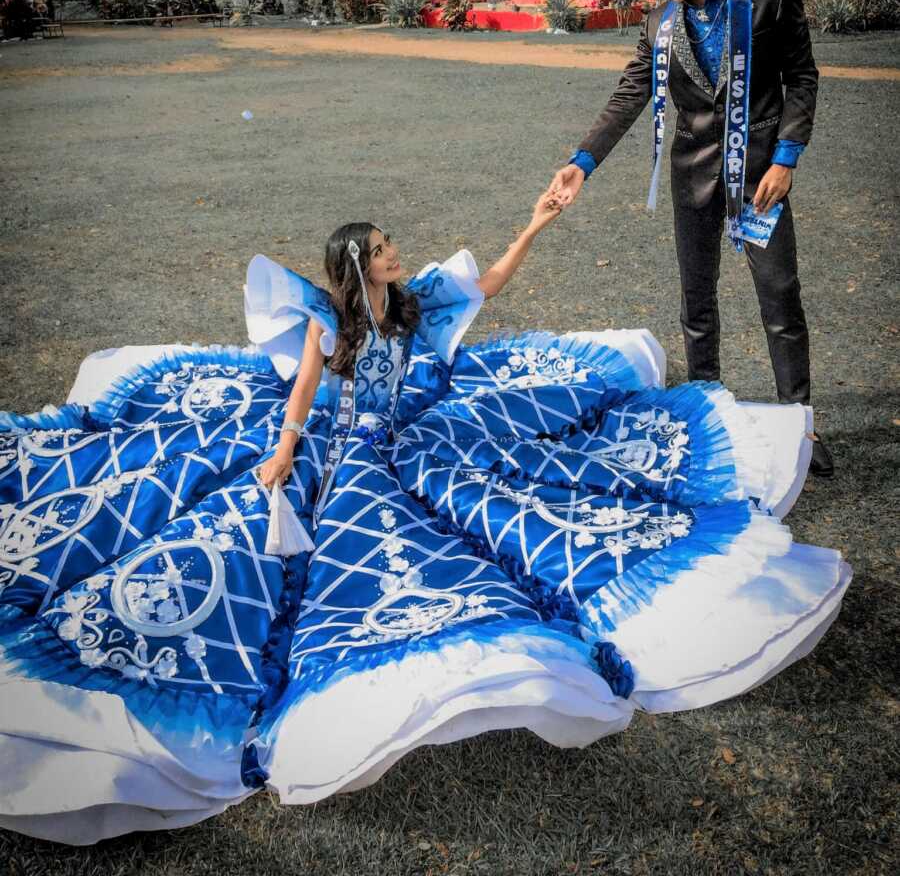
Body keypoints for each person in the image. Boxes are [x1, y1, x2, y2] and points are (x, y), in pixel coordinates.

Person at [0, 196, 849, 843]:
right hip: (339, 440)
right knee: (272, 537)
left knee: (528, 476)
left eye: (390, 247)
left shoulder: (412, 302)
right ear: (356, 265)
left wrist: (535, 223)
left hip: (407, 430)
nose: (395, 253)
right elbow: (302, 393)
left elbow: (487, 284)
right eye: (381, 250)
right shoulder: (328, 322)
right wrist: (288, 449)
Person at [551, 0, 833, 477]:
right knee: (696, 304)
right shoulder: (659, 24)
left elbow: (801, 80)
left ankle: (800, 422)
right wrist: (583, 161)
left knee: (780, 297)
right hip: (690, 178)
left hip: (760, 180)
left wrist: (785, 159)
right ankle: (707, 413)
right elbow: (631, 94)